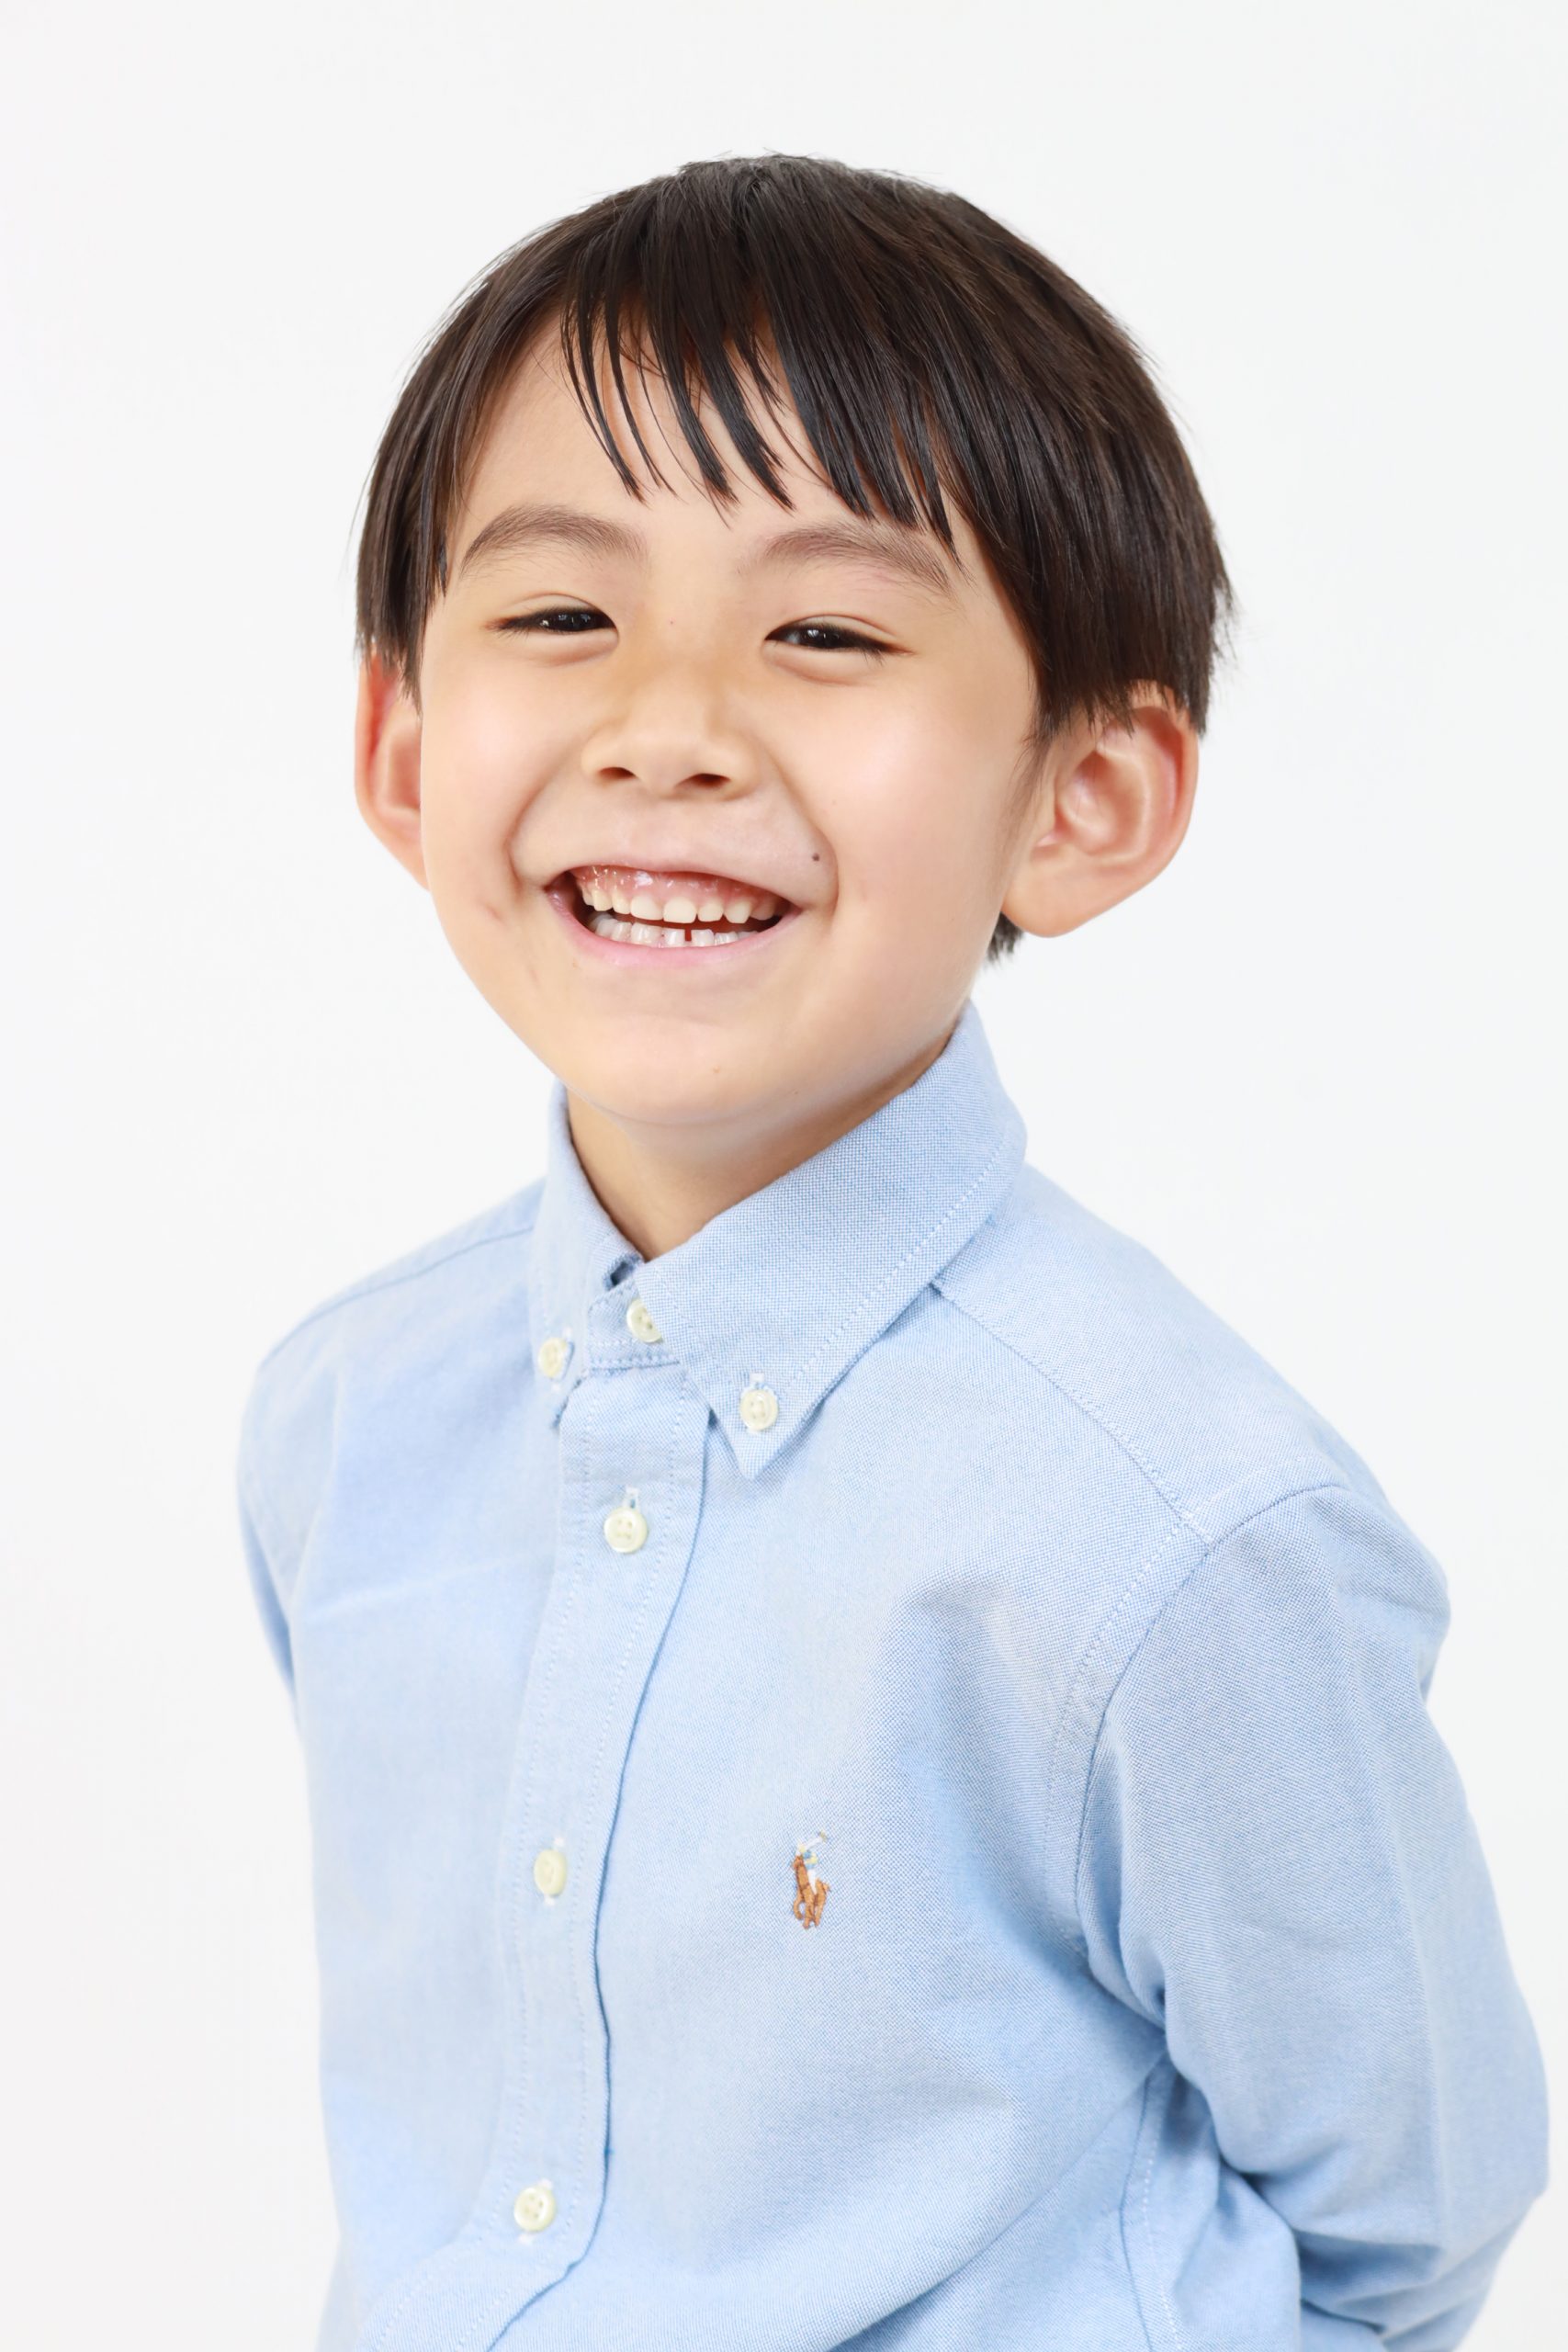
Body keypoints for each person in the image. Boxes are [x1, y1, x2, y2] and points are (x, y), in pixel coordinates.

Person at [236, 153, 1546, 2352]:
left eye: (824, 632)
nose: (666, 726)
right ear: (398, 746)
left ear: (1081, 798)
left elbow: (1399, 2226)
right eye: (559, 616)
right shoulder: (345, 1418)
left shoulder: (1175, 1532)